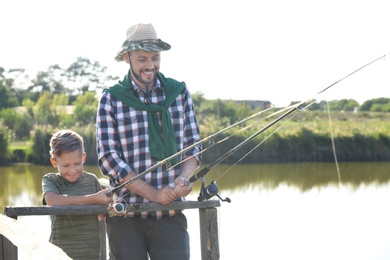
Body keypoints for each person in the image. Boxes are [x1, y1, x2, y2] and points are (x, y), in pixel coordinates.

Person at [96, 23, 202, 260]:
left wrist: (183, 178)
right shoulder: (111, 98)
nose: (150, 65)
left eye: (155, 58)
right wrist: (153, 194)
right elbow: (108, 158)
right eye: (142, 58)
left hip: (170, 214)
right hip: (126, 217)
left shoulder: (179, 92)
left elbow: (193, 146)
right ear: (127, 57)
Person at [42, 129, 112, 260]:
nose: (73, 170)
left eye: (77, 164)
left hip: (90, 254)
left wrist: (107, 201)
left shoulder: (92, 180)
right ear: (54, 162)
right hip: (59, 254)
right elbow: (52, 200)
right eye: (66, 165)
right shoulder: (51, 180)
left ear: (83, 158)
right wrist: (94, 198)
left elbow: (100, 215)